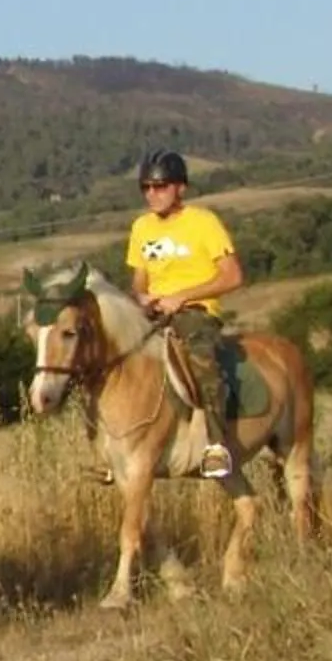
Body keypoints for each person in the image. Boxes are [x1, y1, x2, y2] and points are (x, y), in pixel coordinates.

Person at [126, 149, 245, 480]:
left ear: (180, 187)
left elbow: (233, 276)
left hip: (195, 311)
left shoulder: (203, 222)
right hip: (153, 312)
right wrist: (141, 296)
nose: (152, 194)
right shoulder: (141, 227)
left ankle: (217, 446)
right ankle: (116, 447)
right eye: (146, 187)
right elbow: (139, 277)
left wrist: (182, 297)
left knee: (202, 361)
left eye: (160, 186)